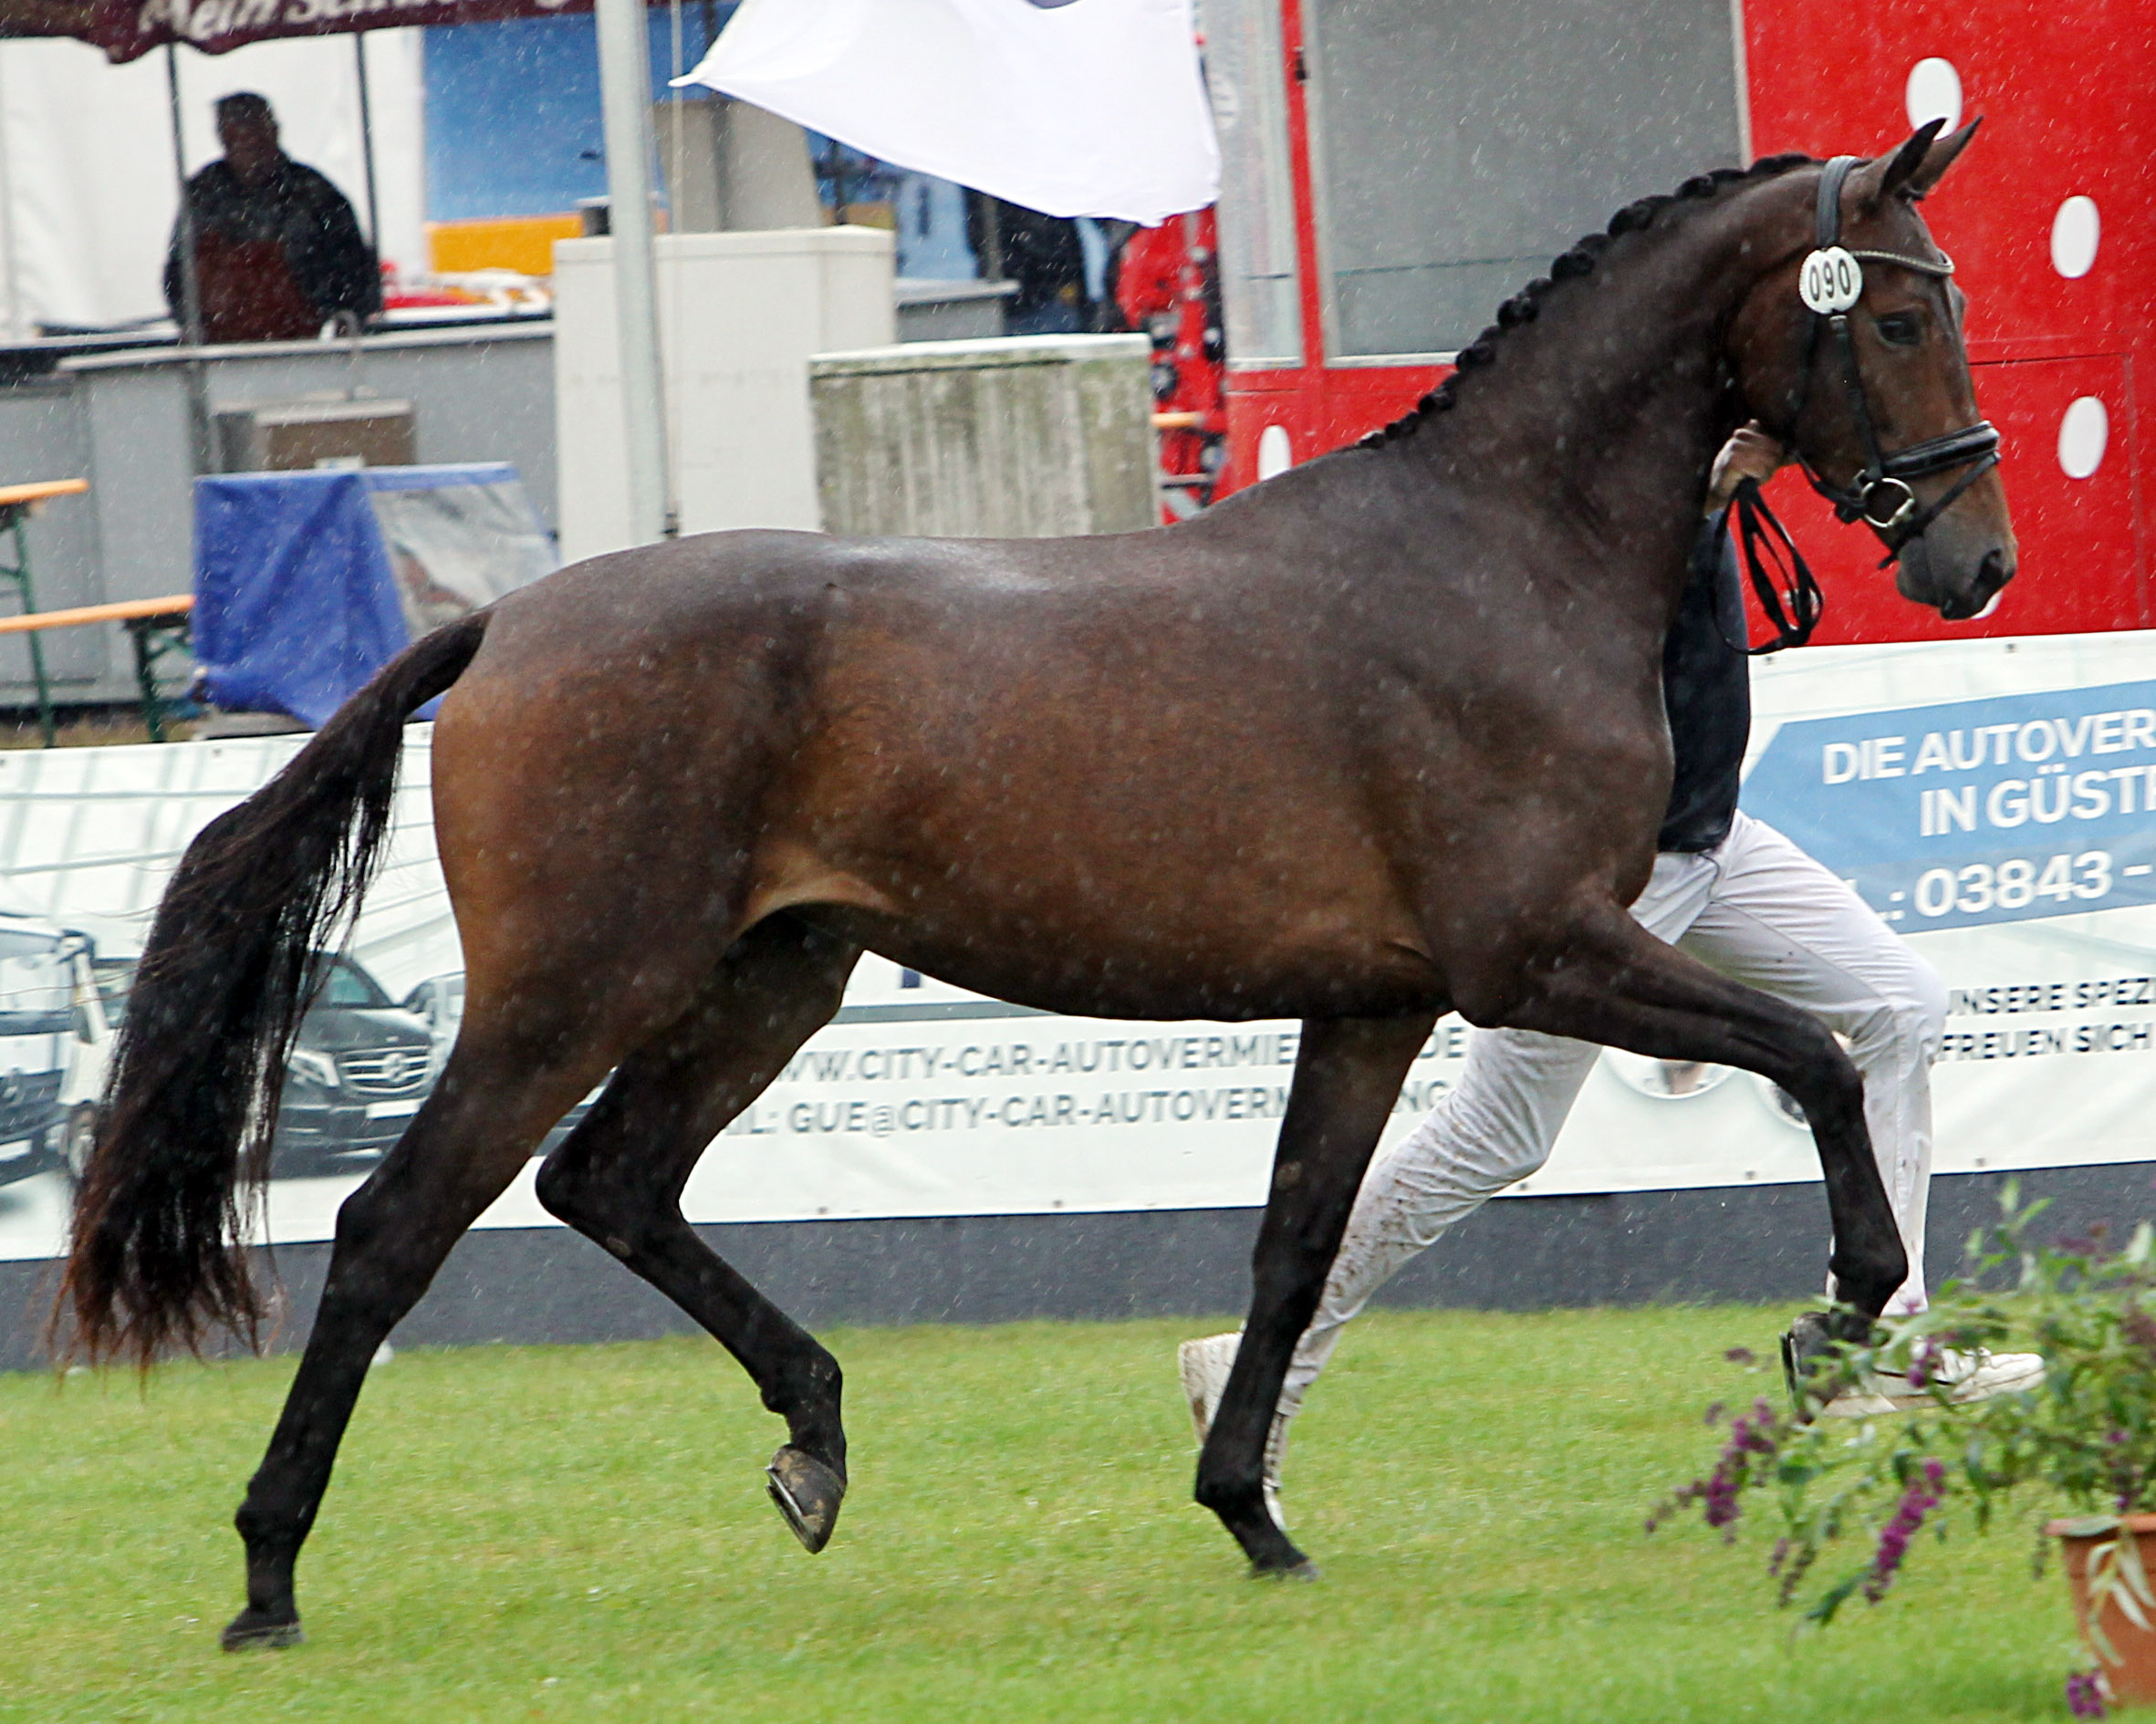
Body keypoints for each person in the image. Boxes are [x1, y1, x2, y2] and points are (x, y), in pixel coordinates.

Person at [1179, 424, 2042, 1523]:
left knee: (1897, 1005)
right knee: (1498, 1134)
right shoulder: (1625, 473)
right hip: (1612, 872)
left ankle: (1873, 1341)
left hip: (1710, 837)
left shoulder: (1705, 451)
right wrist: (1702, 488)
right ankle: (1259, 1365)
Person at [164, 93, 380, 346]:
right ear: (223, 138)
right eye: (238, 136)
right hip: (220, 349)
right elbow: (178, 271)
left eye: (256, 133)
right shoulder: (203, 192)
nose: (249, 144)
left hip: (302, 343)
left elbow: (356, 266)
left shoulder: (314, 192)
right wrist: (187, 320)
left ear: (274, 132)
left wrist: (350, 316)